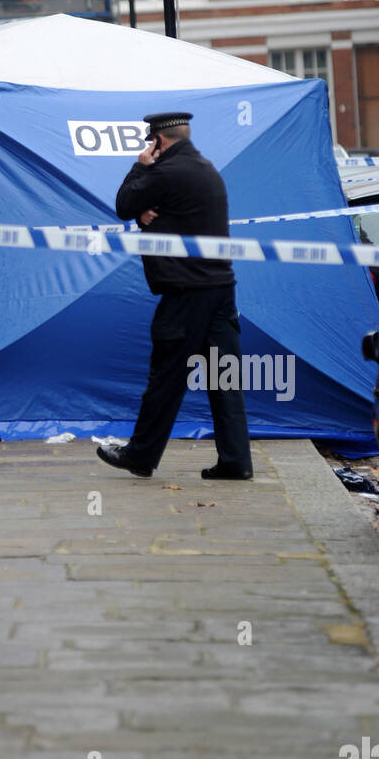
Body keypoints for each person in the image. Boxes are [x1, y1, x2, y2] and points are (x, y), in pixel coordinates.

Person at [97, 109, 253, 481]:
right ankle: (236, 460)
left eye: (150, 143)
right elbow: (172, 216)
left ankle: (140, 455)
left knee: (166, 378)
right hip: (221, 289)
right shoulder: (206, 169)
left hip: (187, 294)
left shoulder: (164, 172)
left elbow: (122, 205)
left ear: (158, 141)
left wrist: (140, 168)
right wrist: (144, 216)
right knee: (224, 379)